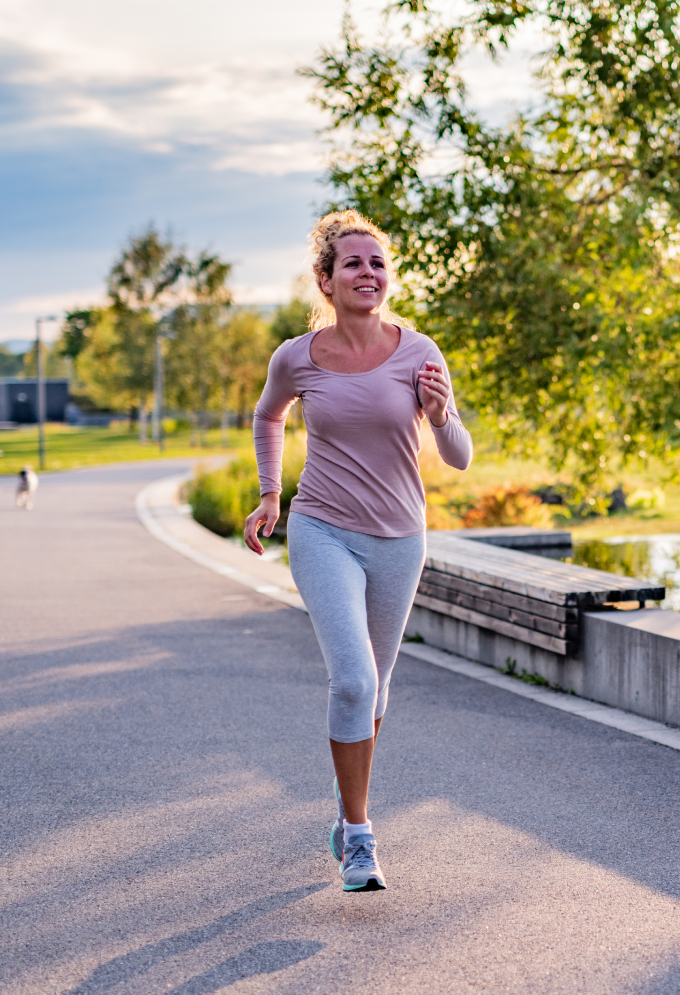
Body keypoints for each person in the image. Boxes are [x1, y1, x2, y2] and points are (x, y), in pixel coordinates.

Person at [244, 210, 472, 893]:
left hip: (401, 539)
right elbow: (268, 414)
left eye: (376, 263)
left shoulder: (419, 350)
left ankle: (346, 822)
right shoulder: (296, 357)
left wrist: (441, 413)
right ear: (325, 278)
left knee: (378, 686)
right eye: (352, 263)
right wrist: (269, 493)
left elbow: (458, 457)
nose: (367, 273)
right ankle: (361, 833)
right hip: (323, 529)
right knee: (354, 680)